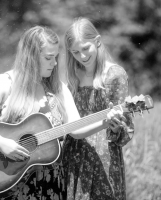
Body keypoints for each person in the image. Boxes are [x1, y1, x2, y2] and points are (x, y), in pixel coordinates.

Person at [0, 25, 123, 200]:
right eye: (48, 58)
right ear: (30, 57)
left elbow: (75, 130)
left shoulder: (58, 88)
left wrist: (105, 122)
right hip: (7, 182)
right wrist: (2, 144)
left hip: (49, 187)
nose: (54, 64)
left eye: (56, 57)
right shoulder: (4, 84)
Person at [62, 17, 134, 200]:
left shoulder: (115, 75)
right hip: (73, 154)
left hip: (104, 158)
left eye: (86, 49)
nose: (82, 56)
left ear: (98, 41)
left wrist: (116, 126)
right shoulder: (71, 77)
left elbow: (125, 130)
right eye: (75, 52)